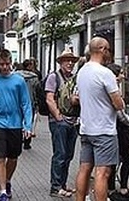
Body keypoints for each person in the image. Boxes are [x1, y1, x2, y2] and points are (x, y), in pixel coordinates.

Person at [75, 37, 125, 201]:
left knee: (84, 169)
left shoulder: (82, 72)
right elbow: (118, 104)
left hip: (86, 128)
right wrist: (120, 99)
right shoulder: (105, 73)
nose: (109, 53)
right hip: (104, 130)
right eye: (108, 50)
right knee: (102, 173)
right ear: (102, 49)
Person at [0, 49, 33, 201]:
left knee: (13, 157)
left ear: (11, 63)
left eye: (7, 64)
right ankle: (3, 191)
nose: (4, 67)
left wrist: (27, 125)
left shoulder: (19, 81)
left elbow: (26, 104)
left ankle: (7, 180)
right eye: (2, 64)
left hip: (15, 124)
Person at [46, 49, 81, 198]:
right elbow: (49, 98)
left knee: (68, 155)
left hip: (72, 122)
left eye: (72, 61)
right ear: (60, 62)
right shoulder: (54, 77)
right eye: (67, 60)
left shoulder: (74, 78)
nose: (70, 63)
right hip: (59, 122)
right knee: (60, 154)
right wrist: (58, 116)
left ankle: (63, 184)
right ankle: (55, 187)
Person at [107, 63, 129, 200]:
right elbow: (119, 112)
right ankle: (119, 189)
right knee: (126, 158)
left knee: (118, 160)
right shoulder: (113, 89)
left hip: (115, 128)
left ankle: (114, 188)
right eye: (120, 73)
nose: (123, 76)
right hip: (118, 129)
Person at [16, 58, 41, 150]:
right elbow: (37, 91)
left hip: (18, 102)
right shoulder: (34, 77)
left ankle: (18, 139)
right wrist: (37, 102)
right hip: (30, 102)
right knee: (28, 121)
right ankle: (27, 141)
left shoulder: (17, 76)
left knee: (18, 120)